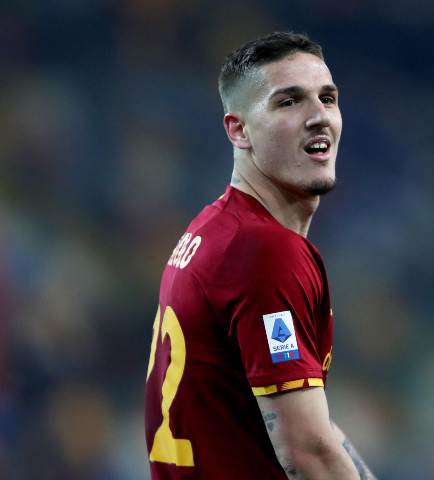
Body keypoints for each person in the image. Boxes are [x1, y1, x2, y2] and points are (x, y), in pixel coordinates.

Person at [144, 32, 376, 479]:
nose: (318, 117)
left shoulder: (215, 229)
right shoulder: (264, 252)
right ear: (239, 130)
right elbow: (306, 451)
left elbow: (307, 422)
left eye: (327, 98)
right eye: (289, 102)